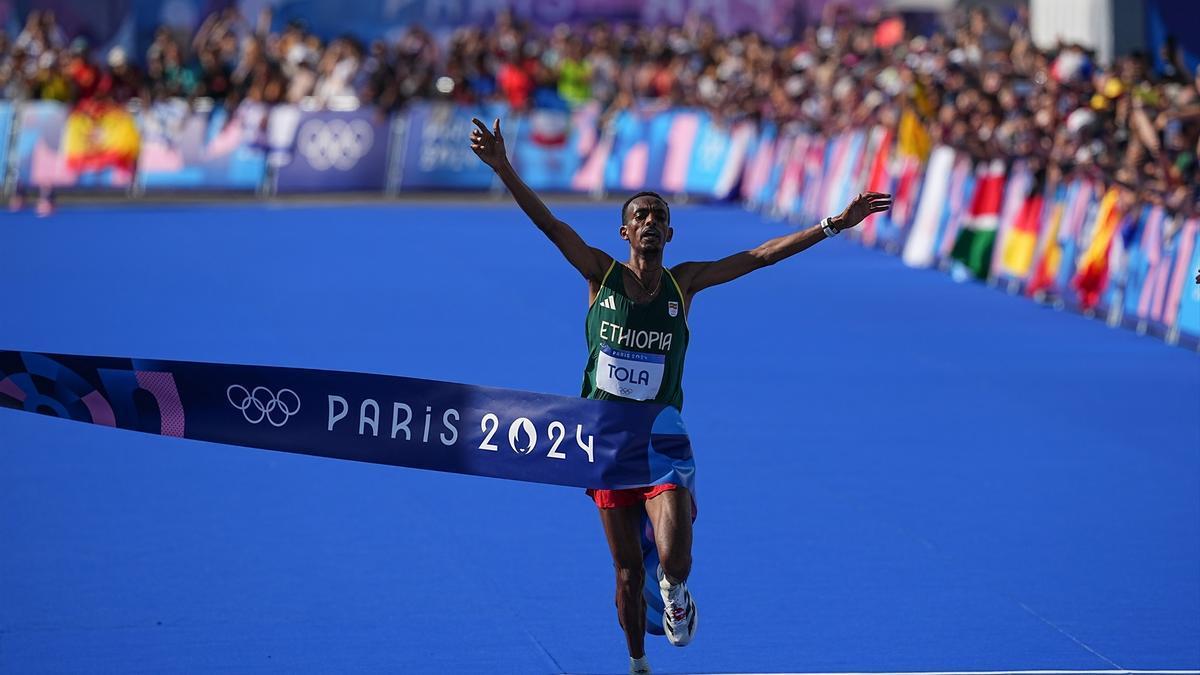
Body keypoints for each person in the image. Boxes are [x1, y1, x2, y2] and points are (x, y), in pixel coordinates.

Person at [469, 117, 891, 674]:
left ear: (670, 236)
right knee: (625, 573)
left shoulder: (683, 284)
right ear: (625, 233)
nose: (649, 222)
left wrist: (835, 224)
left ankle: (676, 593)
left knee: (674, 558)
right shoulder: (599, 274)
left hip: (663, 434)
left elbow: (760, 255)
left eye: (659, 218)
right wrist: (503, 168)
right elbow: (551, 225)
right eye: (640, 216)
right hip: (605, 443)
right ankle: (639, 663)